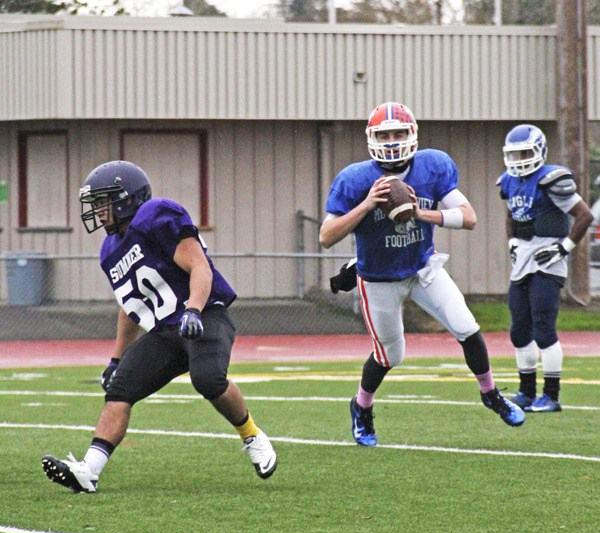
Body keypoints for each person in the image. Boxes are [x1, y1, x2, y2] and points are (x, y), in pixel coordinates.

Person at [42, 160, 277, 492]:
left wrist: (193, 310)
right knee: (119, 390)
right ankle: (89, 471)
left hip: (204, 314)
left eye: (103, 201)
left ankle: (251, 434)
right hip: (164, 332)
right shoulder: (110, 250)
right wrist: (116, 360)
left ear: (127, 198)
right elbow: (129, 307)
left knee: (208, 379)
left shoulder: (156, 215)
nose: (98, 211)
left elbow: (200, 267)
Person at [320, 101, 525, 447]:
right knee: (391, 355)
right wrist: (368, 203)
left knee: (467, 326)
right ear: (372, 139)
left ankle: (490, 394)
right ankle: (361, 406)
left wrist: (418, 213)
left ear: (412, 135)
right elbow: (326, 236)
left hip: (422, 268)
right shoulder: (355, 179)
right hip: (378, 278)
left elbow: (468, 217)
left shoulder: (432, 165)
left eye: (399, 132)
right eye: (385, 134)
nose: (392, 140)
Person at [498, 124, 593, 412]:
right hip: (523, 260)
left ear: (539, 150)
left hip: (547, 262)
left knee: (543, 329)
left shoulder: (552, 179)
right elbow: (511, 214)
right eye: (515, 154)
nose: (520, 159)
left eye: (525, 152)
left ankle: (551, 395)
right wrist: (512, 240)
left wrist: (563, 247)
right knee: (519, 330)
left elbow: (584, 216)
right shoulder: (509, 180)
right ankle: (526, 392)